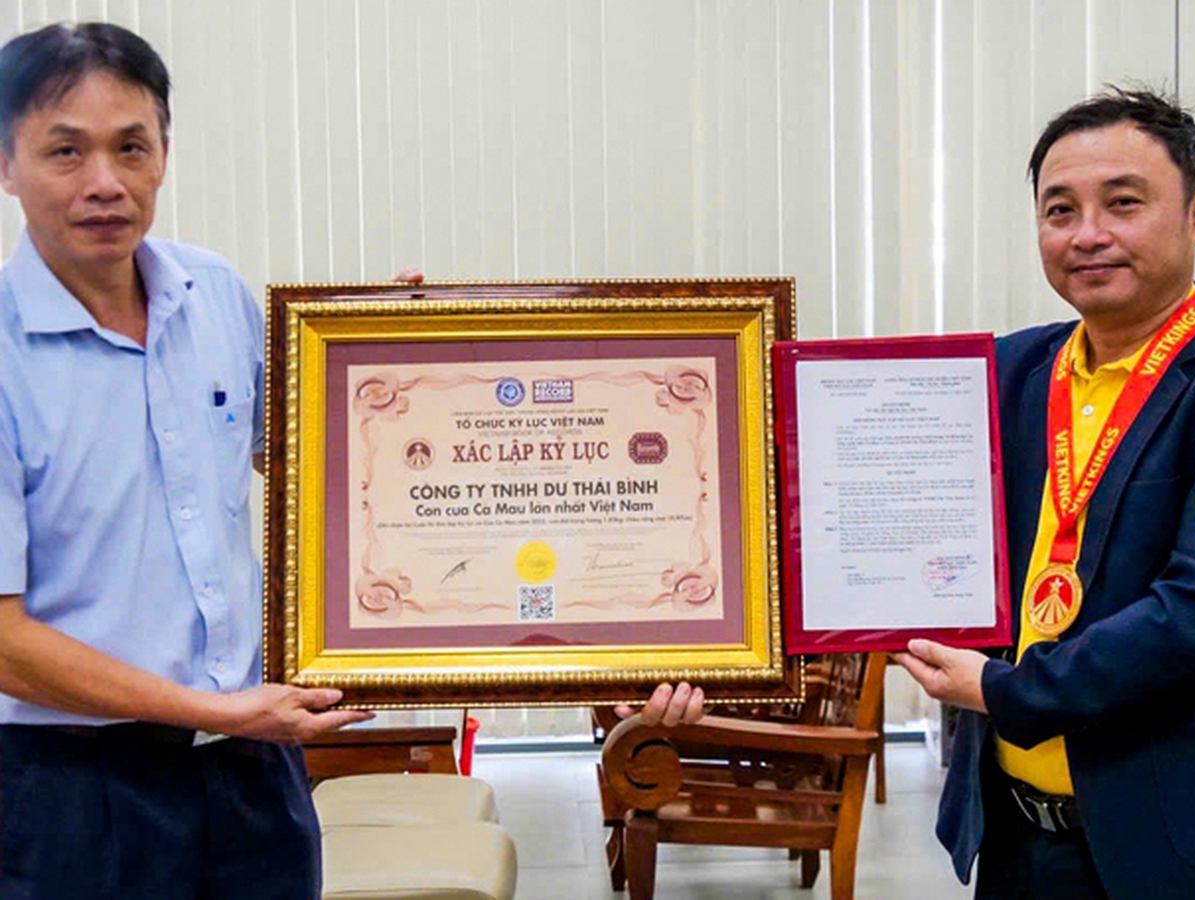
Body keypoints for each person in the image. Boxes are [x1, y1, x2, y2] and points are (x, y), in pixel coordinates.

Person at [0, 22, 702, 899]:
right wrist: (215, 710)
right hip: (71, 792)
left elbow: (309, 471)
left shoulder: (210, 293)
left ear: (164, 154)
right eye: (66, 151)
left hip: (254, 776)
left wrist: (394, 363)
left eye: (130, 146)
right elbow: (6, 640)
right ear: (7, 163)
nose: (105, 181)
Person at [897, 88, 1195, 900]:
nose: (1088, 233)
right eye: (1058, 210)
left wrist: (1005, 691)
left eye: (1123, 204)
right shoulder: (1005, 375)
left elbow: (1190, 612)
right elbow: (842, 503)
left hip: (1166, 845)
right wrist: (728, 652)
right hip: (1013, 834)